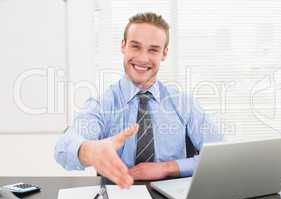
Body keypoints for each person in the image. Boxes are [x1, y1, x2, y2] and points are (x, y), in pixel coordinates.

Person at [54, 12, 223, 188]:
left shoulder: (183, 103)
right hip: (119, 192)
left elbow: (220, 155)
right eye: (135, 46)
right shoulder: (103, 104)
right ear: (123, 46)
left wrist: (167, 168)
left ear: (164, 54)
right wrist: (89, 151)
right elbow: (63, 147)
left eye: (153, 49)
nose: (143, 58)